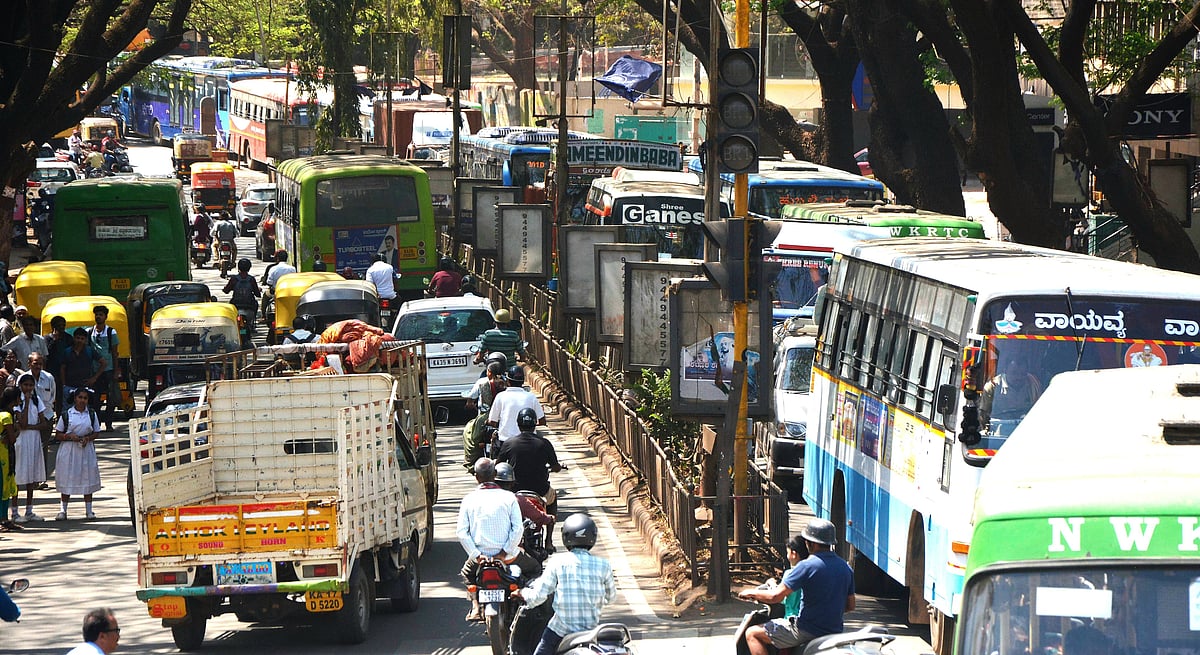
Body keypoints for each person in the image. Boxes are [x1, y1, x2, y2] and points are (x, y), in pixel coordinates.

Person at [738, 519, 856, 655]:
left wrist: (750, 592)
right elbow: (850, 606)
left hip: (805, 630)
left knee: (752, 633)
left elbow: (775, 596)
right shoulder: (845, 568)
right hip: (834, 630)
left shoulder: (806, 566)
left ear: (810, 542)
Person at [515, 513, 616, 655]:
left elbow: (539, 595)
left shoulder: (558, 562)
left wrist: (523, 594)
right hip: (591, 631)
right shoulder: (604, 565)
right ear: (593, 537)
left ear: (566, 536)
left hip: (560, 631)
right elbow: (611, 597)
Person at [456, 457, 528, 622]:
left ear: (476, 477)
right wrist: (504, 553)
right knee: (535, 569)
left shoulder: (468, 499)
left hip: (481, 560)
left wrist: (477, 555)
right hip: (509, 557)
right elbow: (518, 529)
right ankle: (527, 605)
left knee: (467, 573)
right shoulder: (509, 497)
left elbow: (461, 532)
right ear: (495, 474)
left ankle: (475, 606)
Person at [496, 407, 562, 513]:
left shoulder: (509, 443)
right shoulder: (544, 443)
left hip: (515, 489)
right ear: (535, 423)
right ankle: (550, 525)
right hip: (541, 489)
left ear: (518, 424)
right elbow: (555, 467)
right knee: (552, 498)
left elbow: (499, 465)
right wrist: (557, 467)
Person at [54, 387, 102, 520]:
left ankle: (89, 511)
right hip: (69, 450)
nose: (82, 400)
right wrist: (69, 436)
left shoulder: (91, 414)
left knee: (87, 476)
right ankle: (63, 510)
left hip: (86, 450)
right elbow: (58, 434)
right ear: (75, 398)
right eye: (80, 397)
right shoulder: (67, 414)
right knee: (67, 477)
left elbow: (96, 432)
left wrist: (88, 438)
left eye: (85, 398)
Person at [12, 373, 50, 523]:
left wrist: (32, 427)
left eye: (31, 385)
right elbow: (22, 423)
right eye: (25, 385)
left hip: (33, 439)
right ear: (20, 386)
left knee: (31, 475)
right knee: (17, 473)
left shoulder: (37, 400)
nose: (28, 388)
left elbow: (43, 423)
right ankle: (14, 511)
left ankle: (29, 510)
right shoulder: (17, 401)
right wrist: (26, 403)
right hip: (21, 440)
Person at [495, 461, 556, 551]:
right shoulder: (515, 500)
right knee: (534, 565)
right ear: (512, 483)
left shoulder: (481, 500)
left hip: (484, 553)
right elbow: (538, 516)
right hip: (541, 490)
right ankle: (549, 542)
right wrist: (549, 519)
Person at [16, 353, 55, 480]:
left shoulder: (49, 377)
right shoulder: (22, 378)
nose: (38, 366)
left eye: (40, 363)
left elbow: (52, 397)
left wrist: (44, 413)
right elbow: (18, 397)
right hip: (26, 418)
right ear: (29, 364)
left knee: (42, 447)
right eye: (35, 363)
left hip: (46, 416)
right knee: (25, 448)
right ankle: (24, 477)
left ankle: (40, 478)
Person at [978, 355, 1044, 429]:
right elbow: (983, 413)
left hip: (1027, 428)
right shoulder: (992, 386)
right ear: (1005, 371)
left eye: (1023, 374)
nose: (1019, 377)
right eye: (1014, 373)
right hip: (999, 429)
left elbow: (1040, 411)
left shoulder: (1034, 384)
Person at [462, 360, 506, 469]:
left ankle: (472, 465)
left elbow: (471, 398)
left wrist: (469, 404)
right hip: (503, 417)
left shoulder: (481, 382)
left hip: (485, 417)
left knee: (469, 435)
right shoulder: (507, 382)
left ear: (489, 372)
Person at [487, 366, 546, 446]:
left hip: (505, 441)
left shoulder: (501, 396)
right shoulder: (531, 397)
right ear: (523, 381)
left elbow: (492, 421)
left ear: (508, 381)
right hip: (529, 442)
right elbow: (542, 421)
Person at [88, 305, 120, 431]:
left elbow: (115, 353)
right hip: (95, 370)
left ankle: (109, 423)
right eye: (97, 314)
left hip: (109, 370)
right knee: (95, 399)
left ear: (106, 317)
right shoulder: (90, 332)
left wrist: (116, 371)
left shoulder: (111, 332)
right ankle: (96, 424)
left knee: (110, 398)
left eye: (101, 314)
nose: (98, 316)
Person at [223, 259, 262, 336]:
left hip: (236, 307)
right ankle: (252, 325)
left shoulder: (234, 279)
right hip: (249, 306)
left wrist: (227, 288)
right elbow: (257, 294)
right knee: (256, 304)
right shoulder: (251, 279)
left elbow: (226, 291)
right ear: (249, 268)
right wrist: (258, 290)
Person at [44, 316, 71, 413]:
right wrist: (54, 340)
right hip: (51, 371)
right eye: (59, 325)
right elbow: (46, 353)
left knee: (61, 395)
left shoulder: (68, 338)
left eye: (63, 325)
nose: (62, 327)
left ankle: (60, 415)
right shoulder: (47, 338)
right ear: (53, 326)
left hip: (65, 372)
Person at [0, 388, 18, 532]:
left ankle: (5, 519)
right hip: (3, 456)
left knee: (5, 487)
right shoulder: (6, 416)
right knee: (3, 488)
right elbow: (12, 438)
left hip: (5, 455)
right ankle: (2, 520)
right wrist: (16, 430)